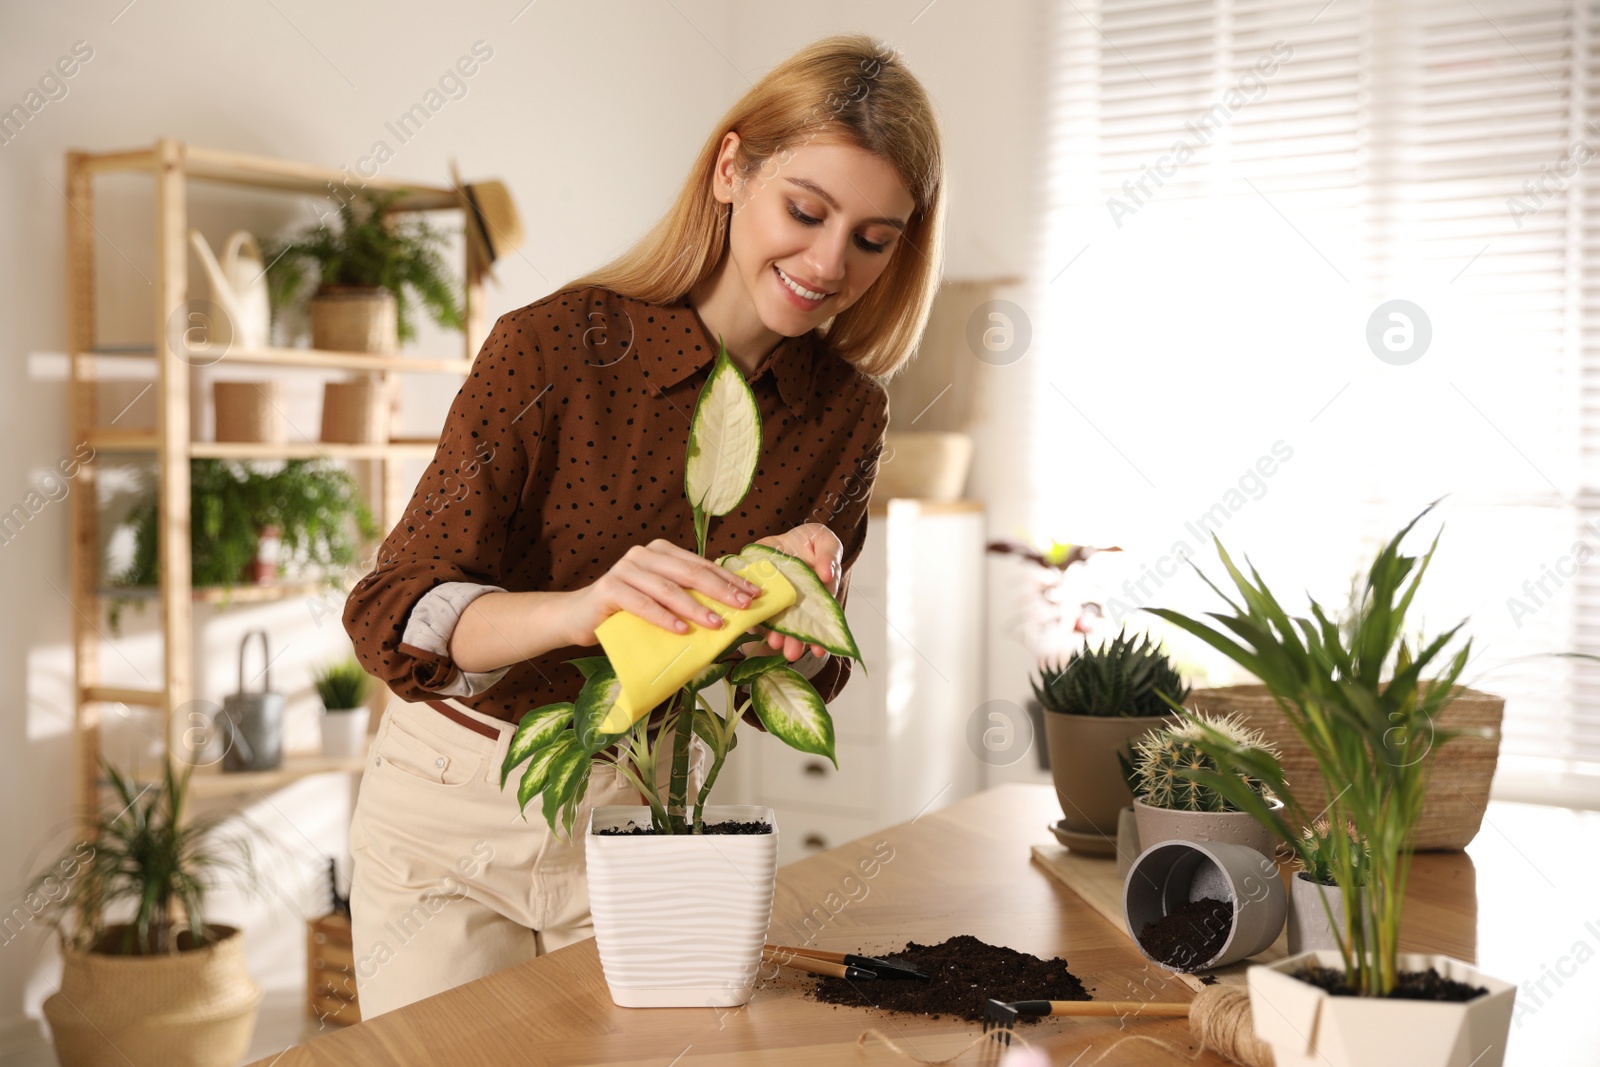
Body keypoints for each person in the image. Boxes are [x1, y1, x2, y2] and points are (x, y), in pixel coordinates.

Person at [340, 31, 946, 1018]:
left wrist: (798, 623)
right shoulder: (553, 347)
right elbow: (391, 608)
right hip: (454, 815)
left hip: (659, 815)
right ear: (729, 169)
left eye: (873, 238)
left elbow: (800, 680)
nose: (830, 261)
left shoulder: (846, 413)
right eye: (805, 210)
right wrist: (580, 610)